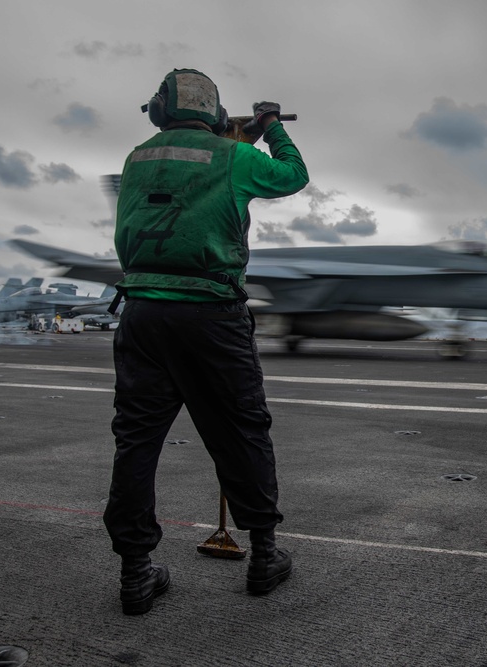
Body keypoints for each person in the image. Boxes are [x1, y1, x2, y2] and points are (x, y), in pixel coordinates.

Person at [102, 68, 309, 615]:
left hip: (143, 315)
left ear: (158, 112)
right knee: (242, 430)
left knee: (136, 442)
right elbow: (293, 176)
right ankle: (264, 555)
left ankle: (135, 572)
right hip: (211, 316)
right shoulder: (232, 156)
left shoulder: (135, 158)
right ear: (218, 116)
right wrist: (269, 128)